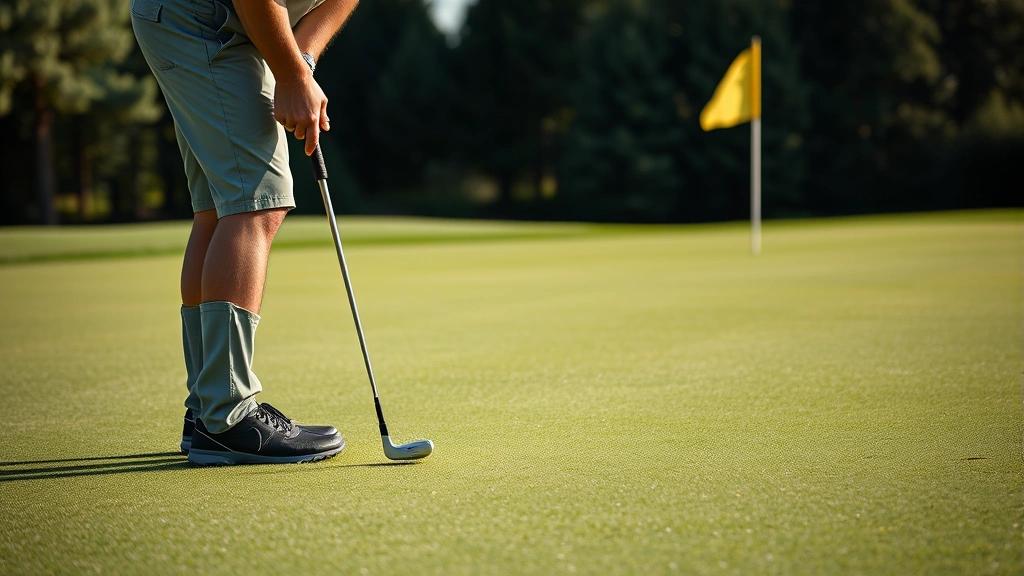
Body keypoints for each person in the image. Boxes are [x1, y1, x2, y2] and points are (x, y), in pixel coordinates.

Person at [130, 0, 359, 465]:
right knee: (259, 200)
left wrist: (302, 62)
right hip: (200, 18)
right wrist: (291, 75)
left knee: (218, 208)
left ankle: (207, 411)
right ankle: (228, 417)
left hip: (199, 21)